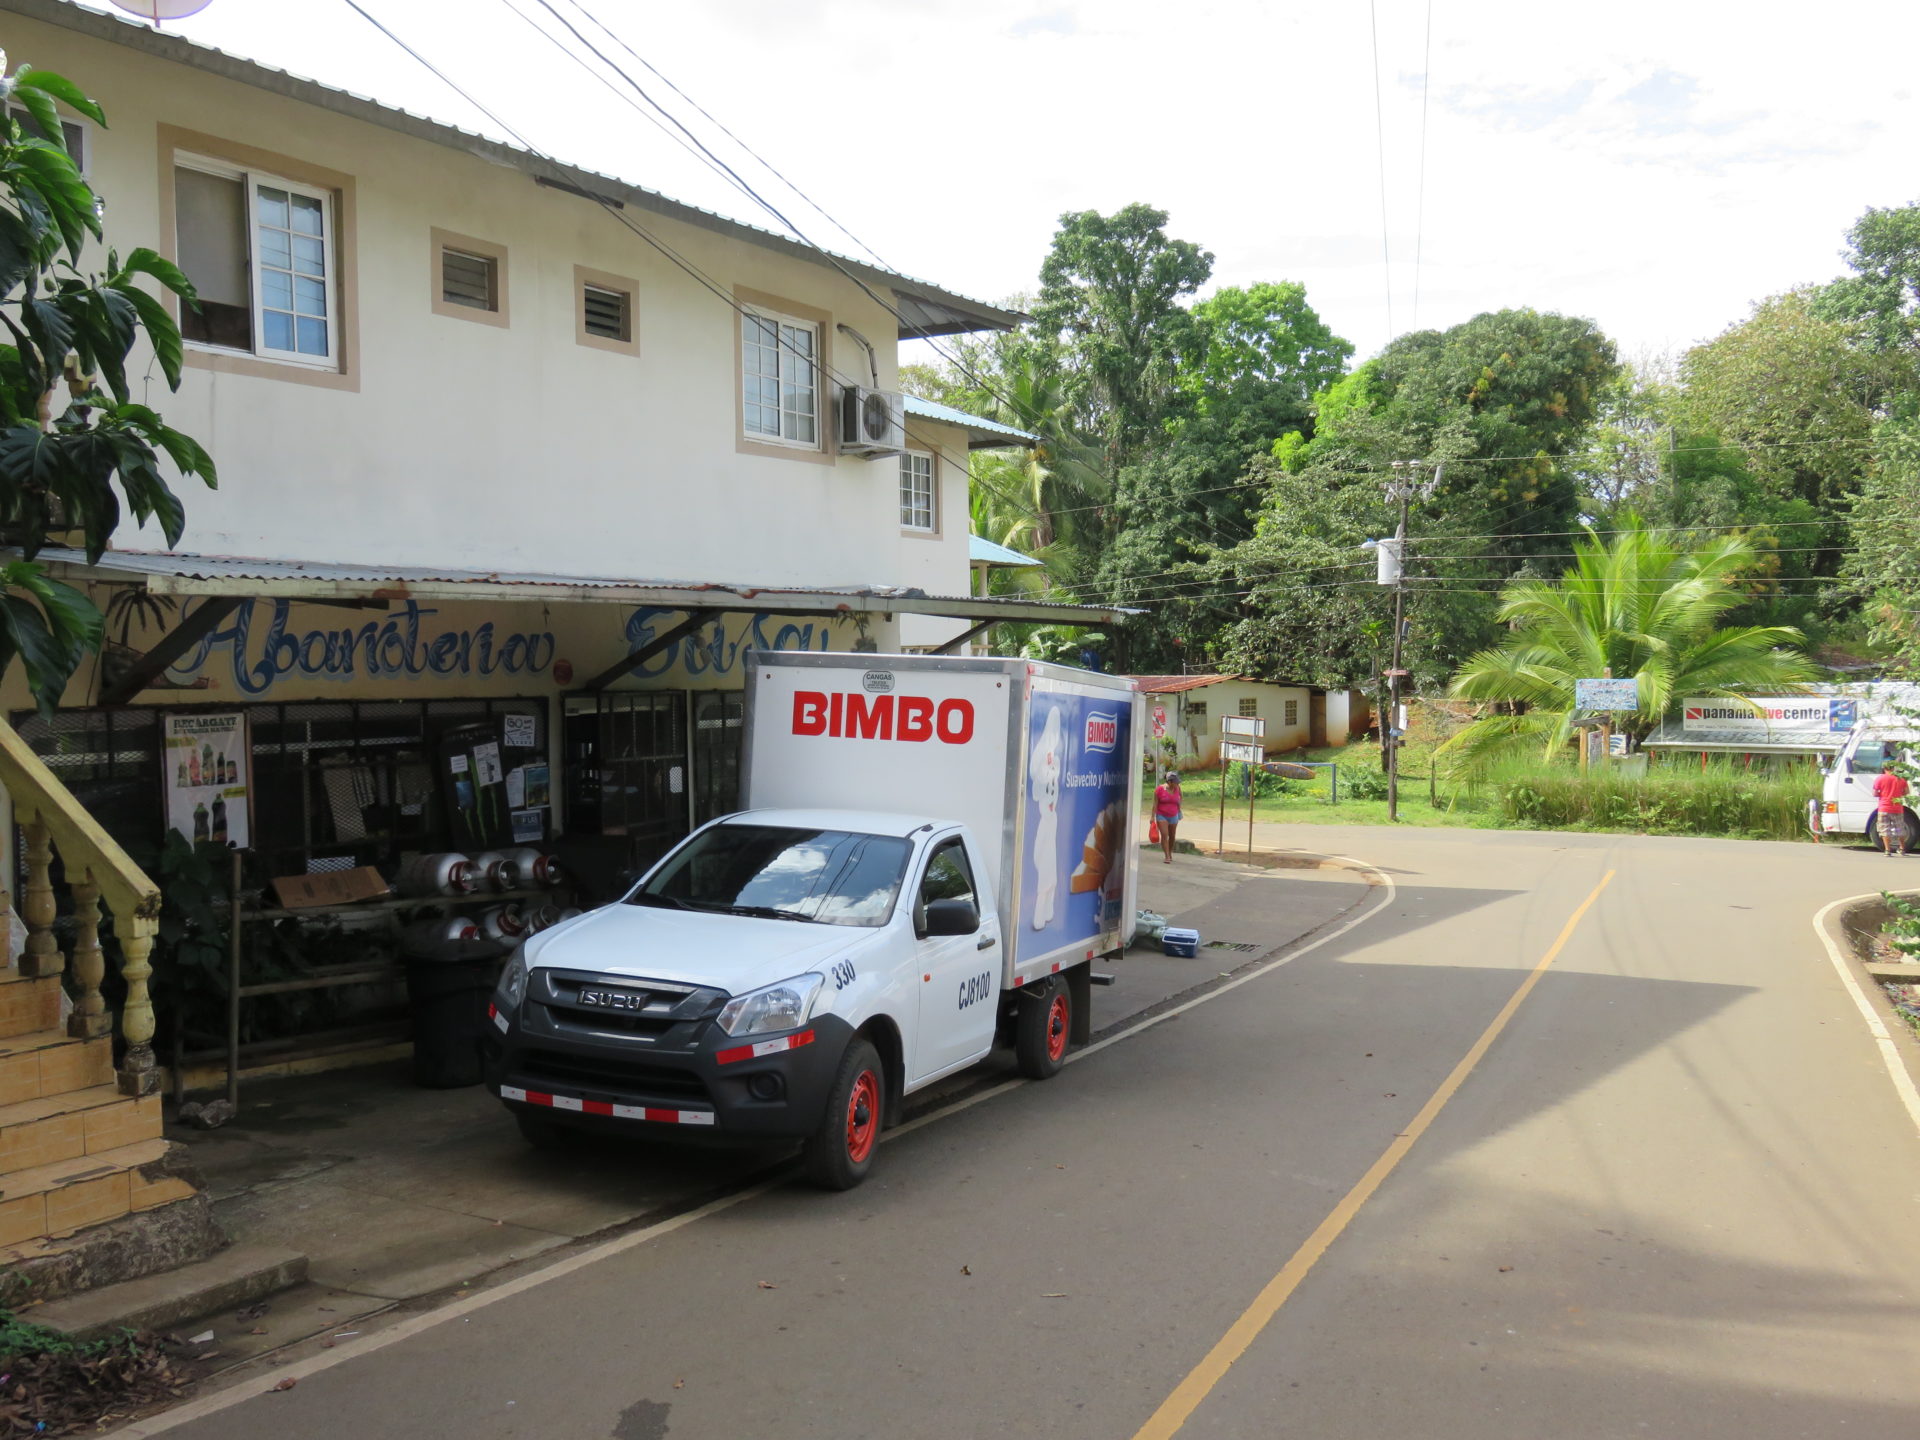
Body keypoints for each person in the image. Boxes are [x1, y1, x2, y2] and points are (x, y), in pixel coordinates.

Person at [1873, 760, 1911, 857]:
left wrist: (1882, 794)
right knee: (1899, 828)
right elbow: (1906, 792)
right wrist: (1898, 794)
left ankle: (1887, 850)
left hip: (1884, 807)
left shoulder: (1879, 779)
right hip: (1897, 808)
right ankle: (1902, 849)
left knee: (1884, 829)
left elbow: (1874, 793)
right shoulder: (1901, 779)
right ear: (1894, 768)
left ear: (1884, 768)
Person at [1154, 771, 1183, 864]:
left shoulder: (1178, 788)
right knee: (1164, 834)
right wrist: (1152, 816)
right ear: (1169, 782)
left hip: (1173, 815)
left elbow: (1181, 797)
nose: (1177, 783)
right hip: (1161, 814)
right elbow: (1155, 803)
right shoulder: (1159, 790)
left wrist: (1179, 807)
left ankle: (1170, 852)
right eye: (1176, 782)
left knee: (1172, 836)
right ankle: (1166, 855)